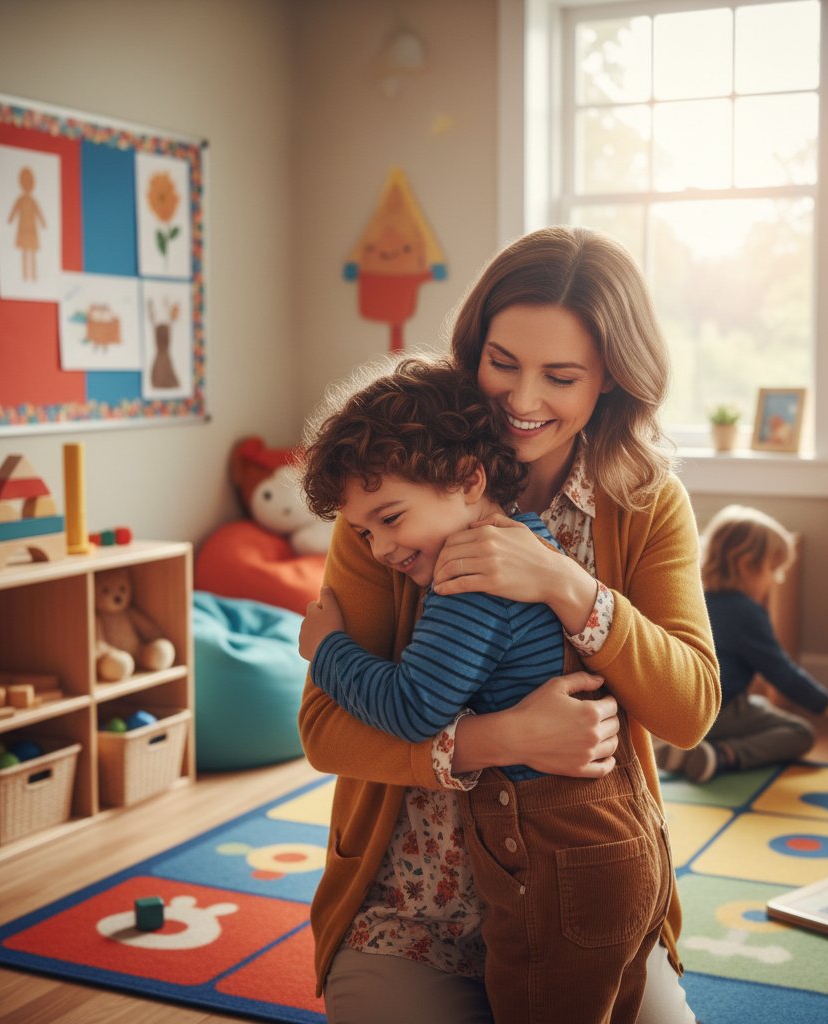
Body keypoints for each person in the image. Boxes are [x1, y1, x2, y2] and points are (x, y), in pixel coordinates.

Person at [297, 225, 720, 1024]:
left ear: (610, 382)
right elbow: (323, 731)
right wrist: (501, 742)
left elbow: (690, 711)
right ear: (473, 352)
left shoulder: (644, 502)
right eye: (502, 364)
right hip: (413, 905)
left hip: (581, 886)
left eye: (561, 376)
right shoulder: (390, 493)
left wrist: (567, 585)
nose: (523, 402)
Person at [656, 505, 828, 784]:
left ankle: (683, 749)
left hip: (684, 710)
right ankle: (723, 754)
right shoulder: (745, 612)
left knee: (758, 703)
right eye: (773, 570)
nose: (777, 580)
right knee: (800, 733)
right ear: (746, 564)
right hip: (718, 712)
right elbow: (781, 672)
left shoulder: (695, 599)